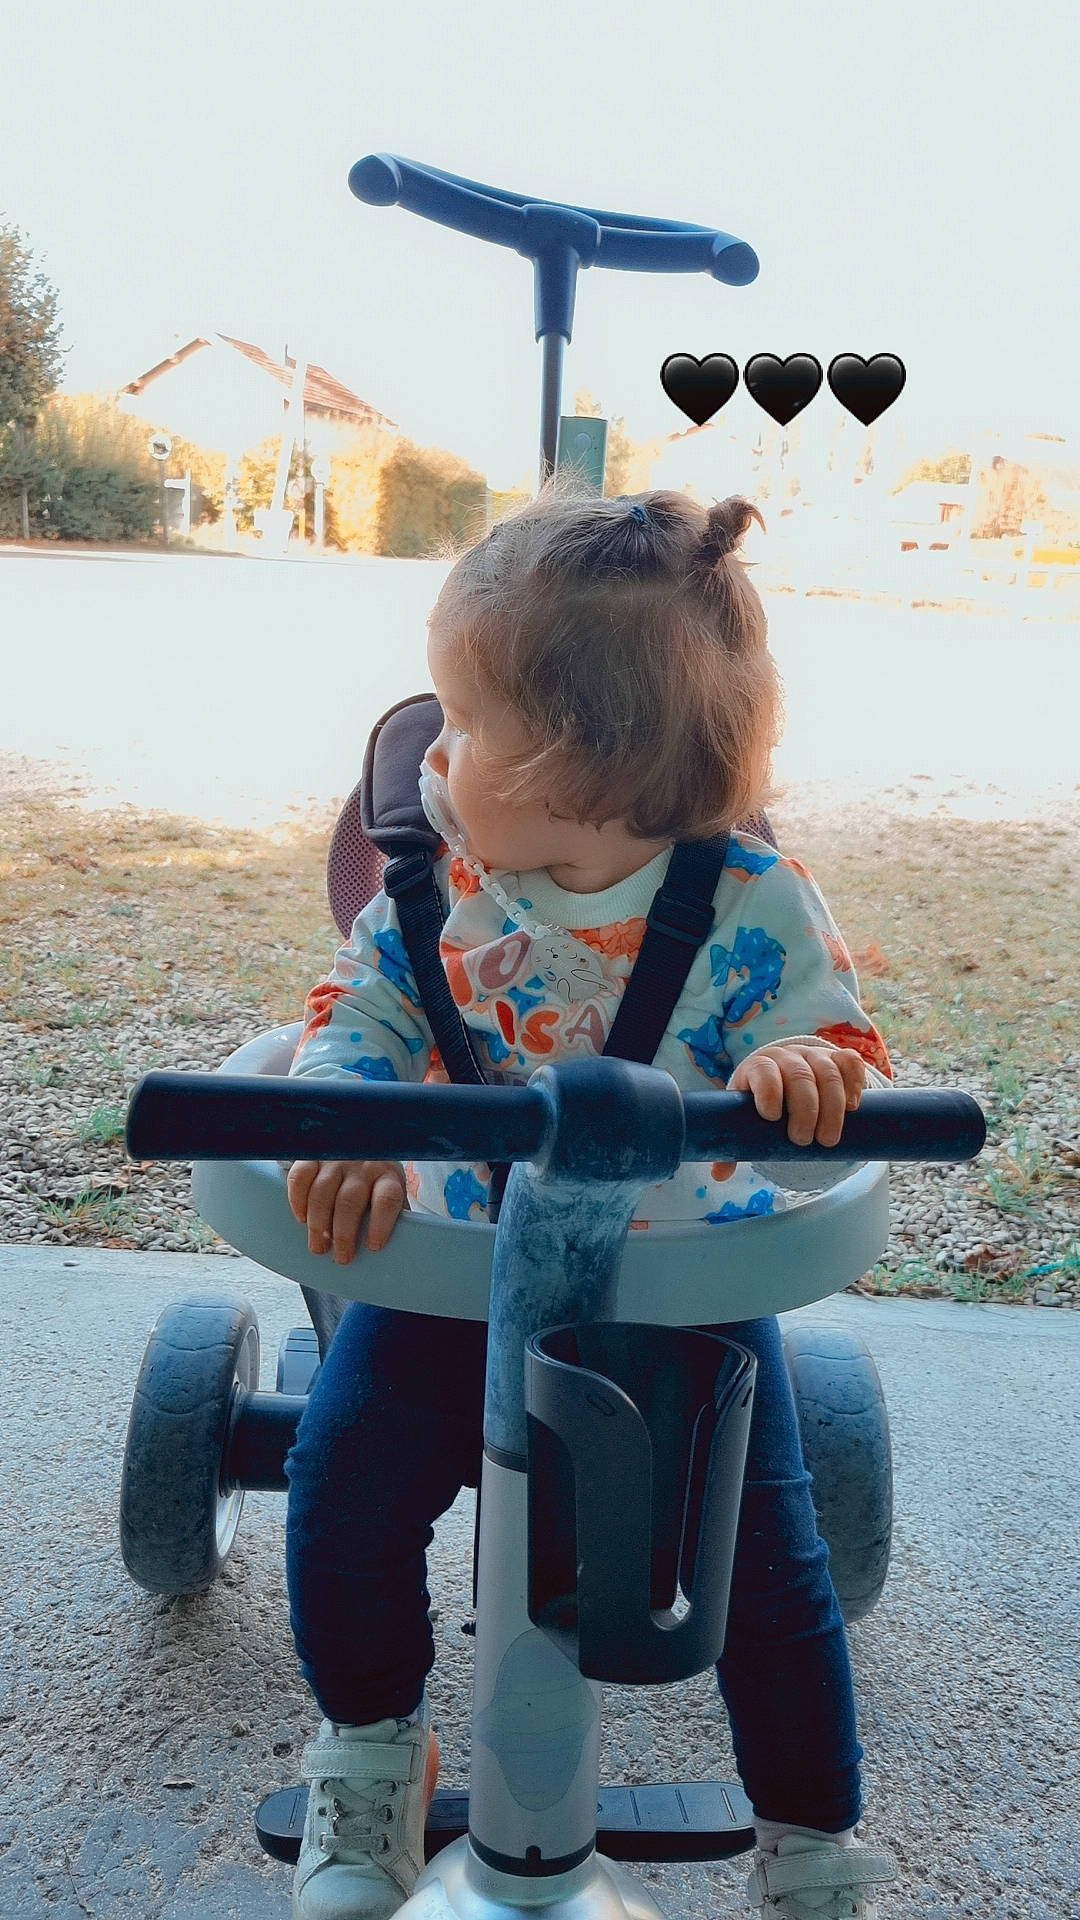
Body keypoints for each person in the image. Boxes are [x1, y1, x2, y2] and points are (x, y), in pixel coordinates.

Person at [283, 482, 898, 1920]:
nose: (432, 748)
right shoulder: (441, 880)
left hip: (680, 1287)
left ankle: (811, 1832)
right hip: (464, 1272)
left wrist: (809, 1064)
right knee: (343, 1487)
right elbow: (358, 1008)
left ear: (587, 767)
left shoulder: (753, 902)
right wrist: (354, 1107)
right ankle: (372, 1744)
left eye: (465, 720)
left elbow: (836, 1048)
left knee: (765, 1567)